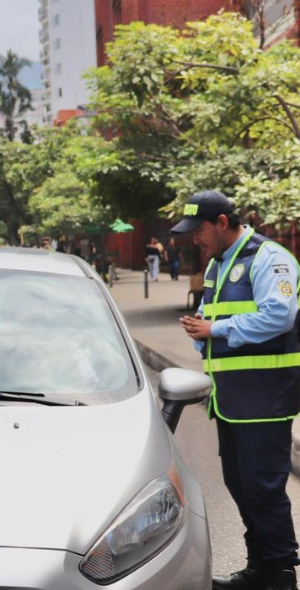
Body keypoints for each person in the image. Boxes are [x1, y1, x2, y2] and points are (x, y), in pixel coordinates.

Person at [175, 190, 300, 590]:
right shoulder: (217, 265)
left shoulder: (270, 259)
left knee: (263, 488)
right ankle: (258, 566)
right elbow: (218, 320)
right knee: (240, 484)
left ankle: (281, 575)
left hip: (267, 397)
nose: (195, 239)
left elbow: (278, 317)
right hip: (231, 400)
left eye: (199, 230)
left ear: (222, 223)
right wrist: (201, 331)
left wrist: (217, 329)